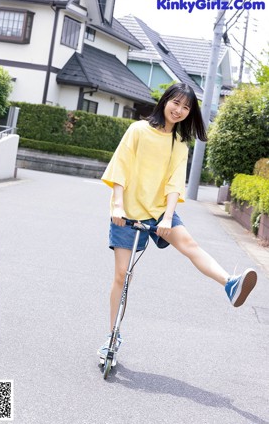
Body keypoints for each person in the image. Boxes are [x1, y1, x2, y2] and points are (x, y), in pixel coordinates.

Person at [97, 82, 257, 364]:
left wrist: (169, 216)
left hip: (159, 210)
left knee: (189, 244)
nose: (180, 110)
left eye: (186, 107)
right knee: (122, 277)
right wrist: (118, 205)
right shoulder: (138, 130)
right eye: (176, 103)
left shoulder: (179, 143)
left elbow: (174, 183)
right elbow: (120, 166)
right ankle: (112, 335)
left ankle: (230, 284)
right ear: (165, 101)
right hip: (128, 211)